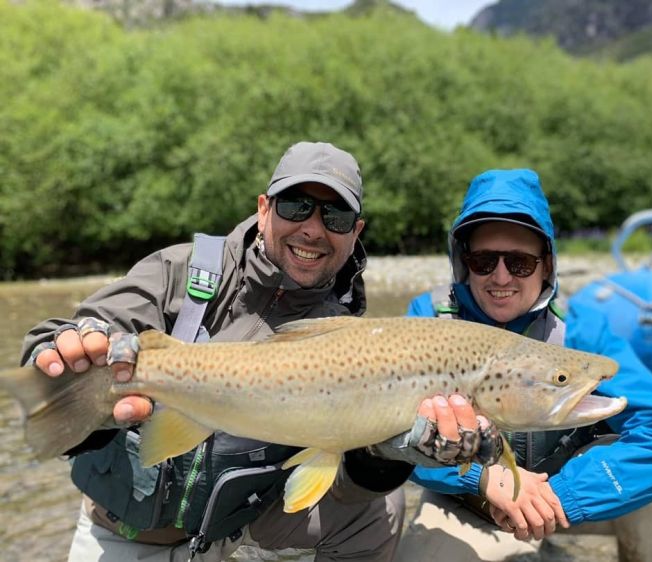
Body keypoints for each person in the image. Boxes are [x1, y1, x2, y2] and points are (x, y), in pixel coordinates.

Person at [21, 141, 441, 562]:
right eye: (295, 206)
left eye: (336, 216)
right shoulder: (181, 270)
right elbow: (98, 323)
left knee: (380, 509)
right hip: (123, 532)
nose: (313, 228)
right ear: (263, 209)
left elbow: (342, 478)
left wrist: (389, 454)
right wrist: (65, 350)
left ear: (356, 232)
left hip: (238, 531)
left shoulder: (351, 334)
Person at [394, 169, 652, 562]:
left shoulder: (581, 330)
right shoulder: (427, 319)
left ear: (546, 265)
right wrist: (485, 479)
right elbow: (392, 436)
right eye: (483, 260)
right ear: (463, 261)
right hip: (470, 500)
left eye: (520, 263)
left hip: (564, 491)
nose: (501, 276)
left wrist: (561, 496)